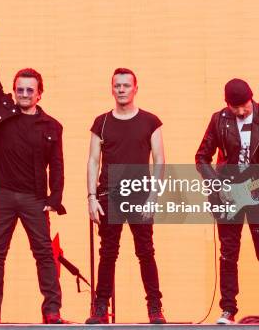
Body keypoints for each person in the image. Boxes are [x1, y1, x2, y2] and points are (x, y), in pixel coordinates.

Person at [0, 22, 67, 324]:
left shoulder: (52, 126)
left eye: (30, 90)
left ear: (40, 94)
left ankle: (52, 311)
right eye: (19, 89)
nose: (24, 94)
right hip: (2, 194)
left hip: (35, 199)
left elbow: (58, 164)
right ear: (14, 91)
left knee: (43, 254)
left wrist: (55, 197)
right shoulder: (3, 109)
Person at [195, 78, 259, 326]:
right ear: (227, 104)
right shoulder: (219, 119)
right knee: (228, 255)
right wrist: (218, 185)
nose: (239, 111)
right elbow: (201, 157)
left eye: (244, 106)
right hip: (228, 196)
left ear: (251, 98)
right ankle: (228, 310)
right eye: (234, 107)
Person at [85, 68, 166, 324]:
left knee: (146, 252)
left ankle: (155, 307)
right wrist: (91, 197)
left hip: (140, 196)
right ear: (112, 89)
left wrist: (154, 196)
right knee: (108, 253)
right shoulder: (102, 122)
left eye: (126, 85)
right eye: (117, 85)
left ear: (135, 88)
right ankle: (100, 308)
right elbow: (92, 160)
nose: (121, 89)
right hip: (109, 194)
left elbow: (160, 160)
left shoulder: (150, 121)